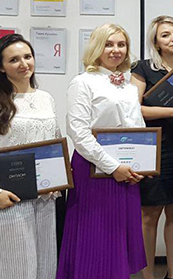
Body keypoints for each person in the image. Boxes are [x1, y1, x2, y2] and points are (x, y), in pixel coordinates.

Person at [57, 23, 147, 279]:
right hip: (93, 170)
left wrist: (141, 166)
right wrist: (112, 167)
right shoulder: (82, 82)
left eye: (121, 44)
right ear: (96, 47)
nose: (116, 50)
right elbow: (78, 132)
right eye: (109, 44)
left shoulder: (129, 86)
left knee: (119, 238)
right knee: (95, 237)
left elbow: (137, 128)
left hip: (127, 172)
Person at [131, 15, 173, 279]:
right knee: (149, 216)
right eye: (166, 35)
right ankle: (148, 276)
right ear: (156, 42)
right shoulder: (143, 68)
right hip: (153, 150)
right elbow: (135, 109)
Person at [0, 34, 60, 279]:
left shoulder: (46, 98)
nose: (24, 64)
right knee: (17, 267)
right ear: (1, 67)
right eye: (14, 60)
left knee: (45, 264)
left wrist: (59, 176)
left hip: (45, 195)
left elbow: (54, 141)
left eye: (28, 56)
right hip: (10, 197)